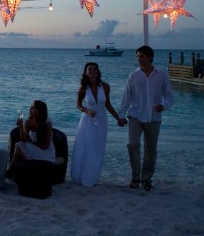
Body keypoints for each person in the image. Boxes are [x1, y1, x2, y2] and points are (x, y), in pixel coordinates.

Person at [117, 45, 174, 191]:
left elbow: (169, 95)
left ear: (150, 57)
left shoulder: (161, 75)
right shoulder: (133, 75)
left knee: (151, 149)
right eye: (137, 56)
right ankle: (135, 177)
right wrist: (121, 115)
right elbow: (126, 97)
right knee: (133, 144)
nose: (139, 59)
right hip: (135, 115)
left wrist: (163, 105)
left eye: (142, 56)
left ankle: (146, 178)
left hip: (154, 117)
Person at [70, 63, 120, 187]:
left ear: (98, 71)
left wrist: (118, 118)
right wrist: (87, 111)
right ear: (86, 72)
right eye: (90, 69)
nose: (92, 71)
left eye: (94, 69)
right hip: (87, 121)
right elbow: (78, 105)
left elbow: (107, 105)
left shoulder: (105, 87)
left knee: (98, 148)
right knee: (86, 147)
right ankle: (81, 175)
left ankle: (92, 177)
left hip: (102, 120)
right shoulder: (83, 89)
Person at [11, 100, 56, 166]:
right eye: (31, 107)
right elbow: (25, 140)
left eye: (33, 107)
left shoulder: (47, 124)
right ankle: (13, 169)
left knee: (19, 147)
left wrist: (32, 144)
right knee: (19, 145)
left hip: (46, 152)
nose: (30, 109)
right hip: (34, 147)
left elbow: (46, 146)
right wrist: (21, 128)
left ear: (39, 110)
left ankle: (12, 169)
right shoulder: (28, 122)